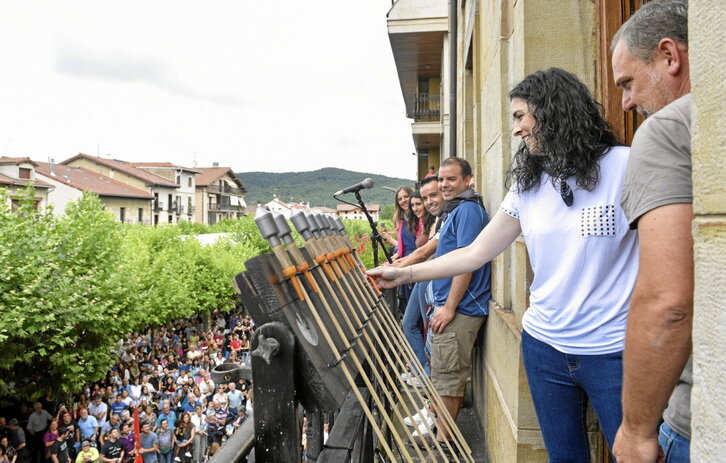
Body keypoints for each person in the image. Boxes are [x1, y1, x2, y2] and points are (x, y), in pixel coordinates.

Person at [369, 68, 638, 460]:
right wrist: (404, 273)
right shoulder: (529, 184)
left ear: (553, 111)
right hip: (544, 348)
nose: (515, 130)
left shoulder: (626, 166)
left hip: (615, 350)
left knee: (632, 454)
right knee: (564, 457)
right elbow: (475, 252)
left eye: (520, 117)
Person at [610, 1, 693, 462]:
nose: (625, 103)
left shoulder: (668, 130)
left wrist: (638, 430)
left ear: (669, 56)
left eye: (628, 83)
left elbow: (668, 303)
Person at [377, 157, 492, 446]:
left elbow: (467, 261)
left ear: (468, 180)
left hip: (459, 309)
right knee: (442, 377)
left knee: (448, 381)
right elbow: (435, 251)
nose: (444, 185)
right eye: (441, 180)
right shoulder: (456, 210)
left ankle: (443, 443)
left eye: (451, 179)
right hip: (451, 307)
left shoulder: (467, 210)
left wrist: (450, 305)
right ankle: (440, 433)